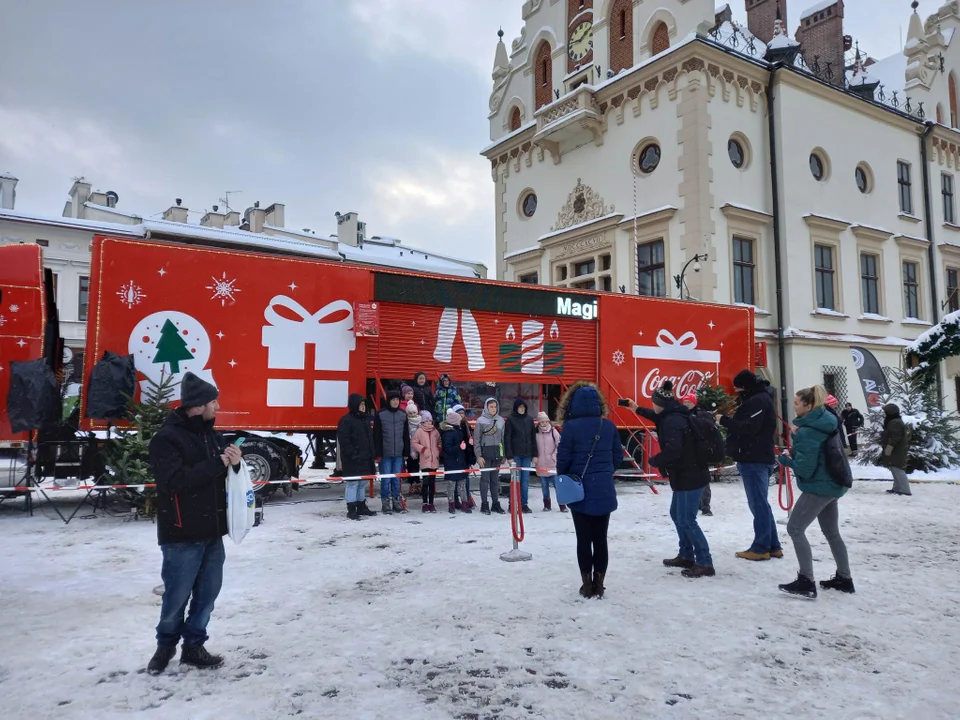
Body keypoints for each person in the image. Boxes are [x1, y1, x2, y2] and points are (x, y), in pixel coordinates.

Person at [146, 372, 240, 673]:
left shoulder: (212, 436)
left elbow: (223, 476)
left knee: (207, 595)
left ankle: (194, 646)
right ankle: (165, 648)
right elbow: (174, 481)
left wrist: (235, 462)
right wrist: (218, 464)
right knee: (176, 597)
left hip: (212, 532)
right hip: (181, 533)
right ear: (198, 406)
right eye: (214, 402)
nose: (218, 407)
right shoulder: (166, 439)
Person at [777, 386, 855, 598]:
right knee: (832, 533)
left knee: (795, 529)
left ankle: (806, 580)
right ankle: (844, 578)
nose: (793, 406)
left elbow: (805, 468)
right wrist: (798, 443)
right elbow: (816, 451)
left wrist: (784, 459)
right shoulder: (826, 421)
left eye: (796, 403)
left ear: (808, 406)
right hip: (834, 484)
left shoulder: (808, 431)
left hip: (819, 486)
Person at [557, 381, 623, 599]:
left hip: (579, 490)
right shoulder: (609, 427)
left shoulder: (570, 428)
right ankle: (599, 583)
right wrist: (604, 473)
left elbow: (563, 459)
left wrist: (565, 480)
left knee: (583, 539)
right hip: (603, 489)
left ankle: (586, 585)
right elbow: (617, 458)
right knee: (601, 538)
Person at [647, 385, 715, 578]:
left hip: (690, 475)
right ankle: (686, 554)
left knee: (686, 519)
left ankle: (704, 562)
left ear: (659, 403)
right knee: (677, 514)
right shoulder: (673, 414)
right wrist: (635, 409)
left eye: (653, 402)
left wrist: (656, 460)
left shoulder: (672, 421)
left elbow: (674, 450)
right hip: (685, 474)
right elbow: (656, 418)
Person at [717, 369, 783, 561]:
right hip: (758, 457)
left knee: (758, 505)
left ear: (745, 386)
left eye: (738, 389)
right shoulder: (761, 398)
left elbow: (747, 428)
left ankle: (761, 547)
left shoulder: (757, 401)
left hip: (754, 459)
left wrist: (724, 420)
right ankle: (773, 545)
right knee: (762, 504)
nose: (737, 393)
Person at [337, 394, 378, 521]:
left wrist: (372, 453)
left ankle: (361, 507)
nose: (363, 407)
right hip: (353, 460)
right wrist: (353, 454)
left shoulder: (364, 419)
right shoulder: (346, 420)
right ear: (355, 405)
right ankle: (351, 509)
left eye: (364, 404)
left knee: (362, 483)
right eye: (361, 404)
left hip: (365, 458)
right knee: (353, 484)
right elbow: (344, 441)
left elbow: (369, 439)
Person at [677, 391, 714, 517]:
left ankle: (705, 506)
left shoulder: (701, 415)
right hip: (686, 452)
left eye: (688, 402)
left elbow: (708, 430)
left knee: (704, 481)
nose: (686, 404)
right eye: (685, 402)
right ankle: (694, 503)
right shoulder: (681, 415)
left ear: (694, 403)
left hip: (699, 452)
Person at [373, 390, 410, 514]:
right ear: (388, 400)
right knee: (386, 479)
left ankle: (396, 501)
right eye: (393, 399)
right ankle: (385, 502)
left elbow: (406, 434)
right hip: (385, 453)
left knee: (396, 479)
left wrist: (406, 450)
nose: (395, 402)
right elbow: (376, 435)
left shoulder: (403, 414)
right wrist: (378, 452)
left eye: (397, 399)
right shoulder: (381, 414)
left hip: (398, 453)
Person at [474, 397, 506, 515]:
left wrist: (503, 455)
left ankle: (495, 503)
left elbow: (502, 439)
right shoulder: (480, 421)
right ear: (487, 407)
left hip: (497, 454)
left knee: (495, 480)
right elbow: (476, 440)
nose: (493, 409)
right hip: (485, 455)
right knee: (485, 479)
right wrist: (478, 456)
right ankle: (484, 504)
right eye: (491, 406)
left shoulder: (501, 420)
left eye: (495, 406)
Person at [505, 397, 537, 513]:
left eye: (523, 407)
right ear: (516, 408)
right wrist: (509, 456)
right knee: (515, 481)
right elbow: (507, 439)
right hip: (515, 455)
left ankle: (524, 504)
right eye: (520, 407)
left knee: (525, 481)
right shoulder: (510, 419)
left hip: (527, 455)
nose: (522, 409)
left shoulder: (529, 420)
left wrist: (535, 454)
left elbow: (533, 438)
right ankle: (512, 504)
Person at [440, 408, 470, 514]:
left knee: (462, 484)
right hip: (452, 462)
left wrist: (467, 445)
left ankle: (464, 503)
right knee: (451, 485)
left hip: (460, 461)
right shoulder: (448, 433)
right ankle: (451, 504)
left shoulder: (458, 431)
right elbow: (447, 449)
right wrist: (459, 447)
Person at [535, 411, 566, 512]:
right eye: (542, 422)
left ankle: (562, 505)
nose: (544, 424)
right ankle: (547, 505)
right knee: (544, 486)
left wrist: (554, 456)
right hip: (541, 464)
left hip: (553, 464)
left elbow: (559, 445)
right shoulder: (535, 433)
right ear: (539, 423)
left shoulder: (554, 431)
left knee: (558, 486)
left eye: (545, 421)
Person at [879, 403, 911, 496]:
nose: (884, 414)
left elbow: (895, 437)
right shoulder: (893, 421)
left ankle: (905, 490)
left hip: (896, 449)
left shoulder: (895, 422)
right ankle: (897, 488)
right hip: (895, 449)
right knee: (894, 467)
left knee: (898, 468)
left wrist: (889, 448)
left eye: (885, 412)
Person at [412, 410, 440, 512]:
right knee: (426, 482)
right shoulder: (419, 431)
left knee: (432, 483)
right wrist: (422, 449)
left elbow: (439, 442)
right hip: (425, 460)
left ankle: (431, 503)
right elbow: (414, 442)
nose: (429, 423)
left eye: (430, 421)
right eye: (426, 421)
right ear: (422, 422)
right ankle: (424, 503)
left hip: (434, 461)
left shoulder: (435, 431)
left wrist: (438, 450)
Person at [453, 404, 477, 508]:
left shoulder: (467, 426)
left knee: (466, 479)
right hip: (456, 456)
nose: (461, 415)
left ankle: (466, 498)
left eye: (463, 413)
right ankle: (455, 499)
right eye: (459, 413)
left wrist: (470, 445)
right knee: (455, 479)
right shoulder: (453, 427)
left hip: (465, 456)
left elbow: (470, 440)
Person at [405, 402, 422, 495]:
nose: (412, 415)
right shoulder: (406, 422)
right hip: (410, 447)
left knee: (418, 466)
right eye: (410, 413)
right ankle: (412, 484)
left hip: (419, 447)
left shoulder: (420, 421)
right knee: (411, 466)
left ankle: (418, 484)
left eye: (414, 413)